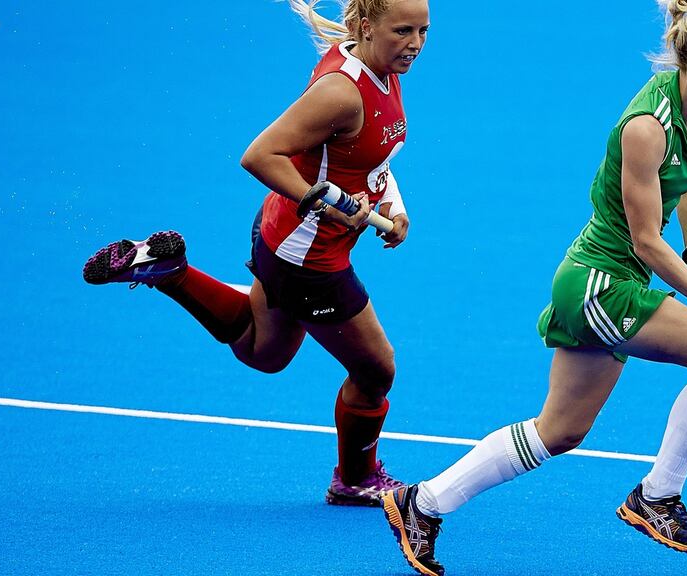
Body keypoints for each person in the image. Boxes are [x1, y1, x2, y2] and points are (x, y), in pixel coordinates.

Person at [381, 1, 687, 573]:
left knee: (559, 432)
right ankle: (656, 497)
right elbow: (643, 242)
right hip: (600, 284)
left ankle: (423, 503)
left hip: (618, 280)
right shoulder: (646, 129)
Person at [81, 0, 431, 507]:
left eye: (423, 30)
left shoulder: (378, 66)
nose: (416, 43)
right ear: (367, 25)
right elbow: (260, 153)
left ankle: (172, 272)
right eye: (403, 30)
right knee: (377, 369)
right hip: (308, 257)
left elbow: (362, 158)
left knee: (266, 353)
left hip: (283, 235)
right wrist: (323, 203)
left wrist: (394, 206)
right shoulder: (341, 92)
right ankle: (355, 480)